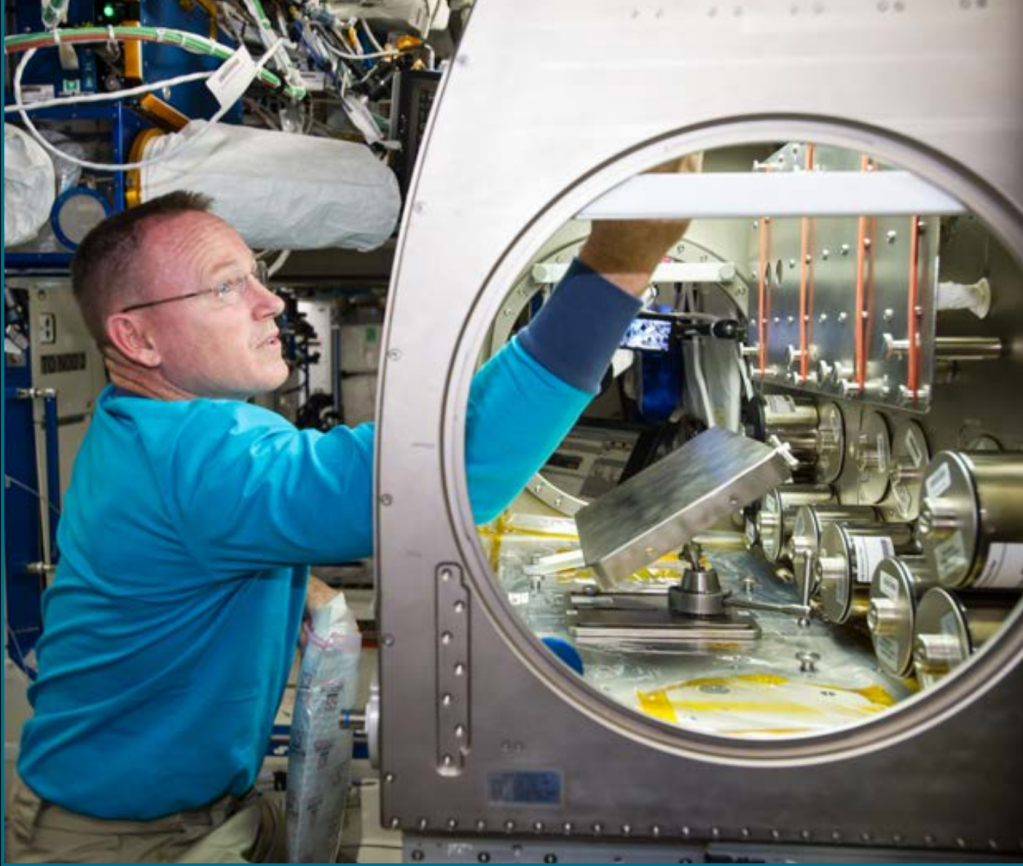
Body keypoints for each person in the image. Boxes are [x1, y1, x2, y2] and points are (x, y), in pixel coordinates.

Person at [7, 155, 697, 862]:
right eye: (224, 287)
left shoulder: (140, 426)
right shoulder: (203, 455)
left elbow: (179, 548)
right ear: (137, 339)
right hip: (121, 841)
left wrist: (291, 584)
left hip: (194, 804)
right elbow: (458, 465)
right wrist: (619, 259)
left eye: (255, 274)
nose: (268, 301)